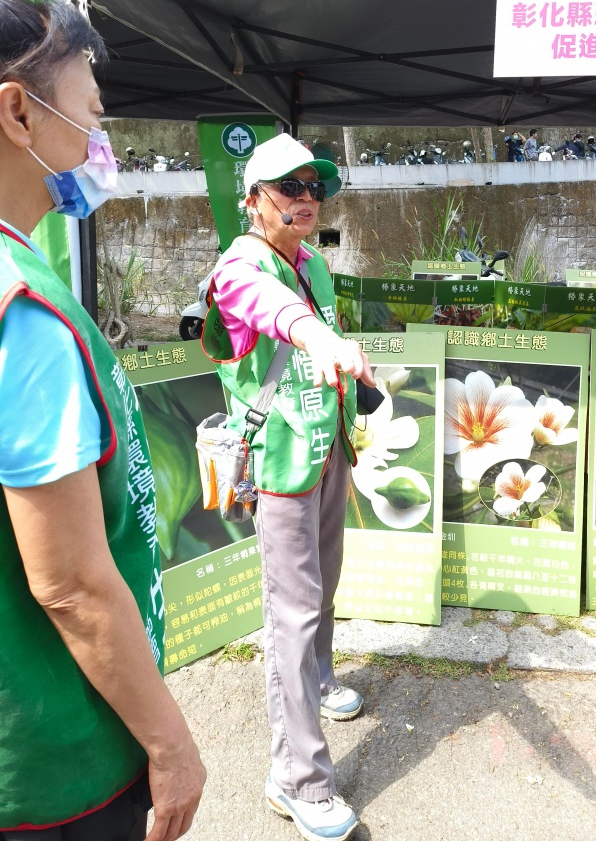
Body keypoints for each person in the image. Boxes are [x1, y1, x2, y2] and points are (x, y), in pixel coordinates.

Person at [0, 0, 205, 838]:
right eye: (88, 113)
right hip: (57, 763)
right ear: (18, 111)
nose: (100, 142)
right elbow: (74, 585)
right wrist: (171, 746)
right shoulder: (26, 314)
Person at [205, 133, 375, 841]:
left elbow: (318, 328)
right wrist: (321, 338)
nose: (306, 199)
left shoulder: (314, 263)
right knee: (292, 611)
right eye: (289, 187)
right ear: (252, 202)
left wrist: (354, 377)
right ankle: (296, 777)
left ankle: (321, 681)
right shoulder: (239, 268)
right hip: (278, 467)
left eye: (313, 186)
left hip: (325, 447)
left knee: (323, 587)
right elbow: (282, 316)